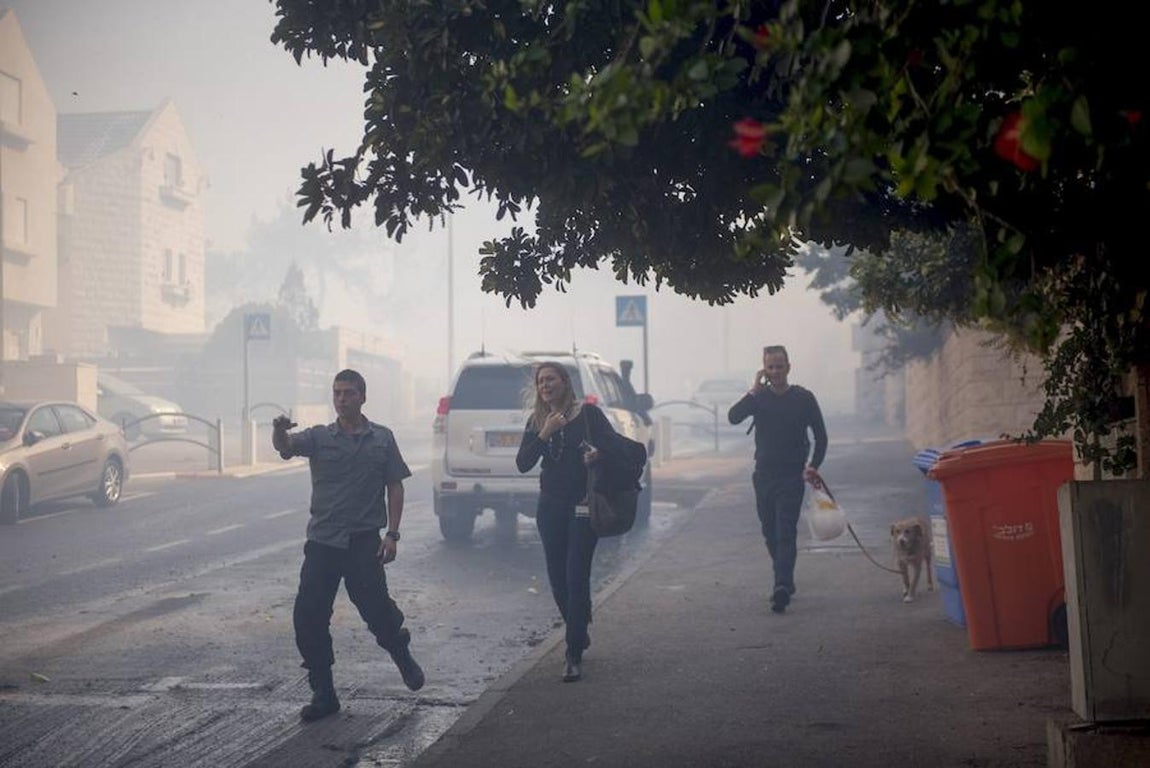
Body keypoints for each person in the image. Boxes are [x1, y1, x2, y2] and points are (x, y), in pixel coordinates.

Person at [272, 369, 424, 722]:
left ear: (362, 397)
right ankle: (323, 692)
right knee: (308, 616)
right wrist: (280, 429)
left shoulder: (382, 439)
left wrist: (393, 534)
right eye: (337, 393)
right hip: (323, 542)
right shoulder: (320, 437)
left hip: (363, 542)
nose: (342, 399)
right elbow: (285, 446)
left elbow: (395, 487)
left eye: (349, 393)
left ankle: (400, 652)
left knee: (376, 610)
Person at [516, 362, 617, 683]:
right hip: (550, 508)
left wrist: (598, 456)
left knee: (576, 577)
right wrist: (545, 432)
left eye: (551, 379)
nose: (545, 385)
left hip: (583, 506)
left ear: (564, 382)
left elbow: (615, 450)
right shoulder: (537, 421)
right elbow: (523, 463)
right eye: (541, 381)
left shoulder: (588, 415)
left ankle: (573, 652)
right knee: (558, 578)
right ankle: (579, 627)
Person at [728, 345, 828, 614]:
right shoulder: (759, 398)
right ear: (764, 370)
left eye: (779, 366)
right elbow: (733, 417)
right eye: (770, 367)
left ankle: (781, 585)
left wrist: (813, 466)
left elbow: (821, 436)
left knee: (785, 530)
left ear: (788, 367)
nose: (775, 372)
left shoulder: (803, 398)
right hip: (763, 476)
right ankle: (784, 576)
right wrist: (753, 389)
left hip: (791, 476)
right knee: (769, 531)